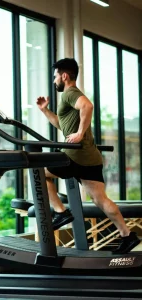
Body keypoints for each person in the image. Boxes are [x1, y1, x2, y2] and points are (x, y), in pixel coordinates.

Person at [36, 58, 140, 254]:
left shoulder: (70, 93)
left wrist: (80, 134)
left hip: (74, 155)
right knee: (100, 199)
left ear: (64, 76)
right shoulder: (69, 97)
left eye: (55, 76)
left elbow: (88, 106)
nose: (54, 81)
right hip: (90, 157)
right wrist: (45, 111)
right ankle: (127, 235)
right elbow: (62, 125)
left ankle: (61, 212)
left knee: (39, 171)